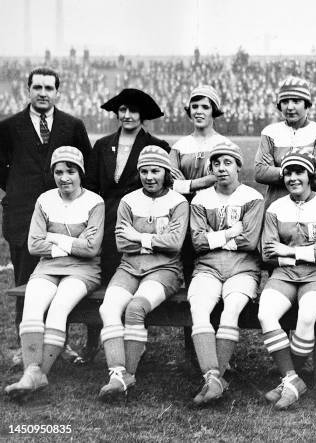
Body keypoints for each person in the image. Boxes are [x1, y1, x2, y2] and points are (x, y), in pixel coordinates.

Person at [0, 67, 92, 365]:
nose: (42, 93)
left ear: (57, 92)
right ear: (28, 90)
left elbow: (85, 167)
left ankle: (58, 343)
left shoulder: (72, 125)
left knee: (59, 277)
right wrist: (18, 193)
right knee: (25, 281)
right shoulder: (9, 126)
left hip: (62, 218)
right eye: (37, 87)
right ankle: (24, 348)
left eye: (48, 88)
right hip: (23, 216)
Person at [4, 147, 103, 399]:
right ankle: (32, 372)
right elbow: (34, 245)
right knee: (32, 305)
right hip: (47, 267)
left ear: (80, 173)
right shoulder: (45, 200)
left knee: (59, 307)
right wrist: (72, 244)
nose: (64, 177)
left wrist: (54, 237)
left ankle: (40, 373)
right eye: (58, 171)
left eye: (71, 171)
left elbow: (91, 249)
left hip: (83, 270)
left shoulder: (95, 202)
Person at [97, 146, 188, 401]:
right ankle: (117, 373)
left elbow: (174, 244)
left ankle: (129, 374)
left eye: (156, 171)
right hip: (129, 266)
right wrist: (154, 239)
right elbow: (121, 244)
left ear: (166, 172)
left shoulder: (178, 202)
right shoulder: (128, 201)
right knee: (108, 308)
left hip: (165, 269)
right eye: (144, 171)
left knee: (136, 307)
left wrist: (138, 236)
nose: (150, 177)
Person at [257, 151, 316, 410]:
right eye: (288, 173)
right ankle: (293, 379)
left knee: (306, 317)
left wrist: (290, 251)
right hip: (284, 274)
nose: (293, 178)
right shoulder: (276, 207)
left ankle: (289, 381)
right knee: (265, 314)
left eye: (299, 172)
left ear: (310, 176)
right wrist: (299, 257)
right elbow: (267, 253)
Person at [188, 142, 264, 406]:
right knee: (199, 308)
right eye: (216, 163)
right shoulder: (201, 199)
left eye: (228, 163)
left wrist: (214, 238)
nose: (222, 169)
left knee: (231, 310)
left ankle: (214, 379)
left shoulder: (252, 198)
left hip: (243, 268)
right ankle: (213, 377)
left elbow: (251, 242)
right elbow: (197, 242)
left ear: (239, 167)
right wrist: (231, 233)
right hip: (207, 267)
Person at [86, 88, 170, 285]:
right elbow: (90, 186)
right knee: (108, 277)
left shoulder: (157, 145)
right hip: (106, 220)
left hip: (140, 221)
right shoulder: (102, 145)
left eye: (133, 110)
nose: (127, 115)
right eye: (122, 110)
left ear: (142, 115)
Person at [169, 85, 231, 282]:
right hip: (186, 209)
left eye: (205, 106)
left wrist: (187, 185)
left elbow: (220, 178)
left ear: (214, 110)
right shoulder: (179, 146)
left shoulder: (225, 145)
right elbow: (171, 180)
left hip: (215, 208)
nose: (199, 111)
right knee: (188, 255)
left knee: (214, 255)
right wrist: (200, 183)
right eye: (194, 106)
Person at [254, 76, 316, 208]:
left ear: (306, 103)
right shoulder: (270, 132)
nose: (289, 107)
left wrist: (276, 170)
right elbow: (259, 173)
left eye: (296, 101)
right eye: (284, 102)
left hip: (309, 209)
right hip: (275, 207)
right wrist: (303, 171)